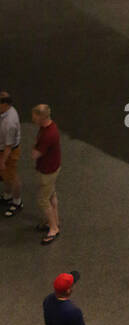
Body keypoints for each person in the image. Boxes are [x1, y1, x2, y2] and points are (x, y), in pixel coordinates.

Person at [32, 103, 61, 244]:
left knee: (43, 200)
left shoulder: (47, 135)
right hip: (53, 167)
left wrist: (34, 148)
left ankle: (54, 228)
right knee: (51, 195)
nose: (33, 118)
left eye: (35, 116)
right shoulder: (51, 127)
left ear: (41, 117)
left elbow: (35, 154)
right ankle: (55, 221)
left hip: (47, 171)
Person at [0, 92, 23, 217]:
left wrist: (2, 161)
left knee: (12, 176)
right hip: (3, 149)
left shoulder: (10, 123)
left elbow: (9, 147)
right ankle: (7, 196)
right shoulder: (4, 112)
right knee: (6, 175)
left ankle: (17, 201)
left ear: (5, 104)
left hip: (8, 152)